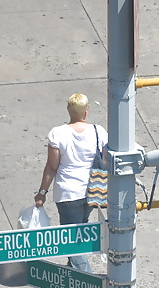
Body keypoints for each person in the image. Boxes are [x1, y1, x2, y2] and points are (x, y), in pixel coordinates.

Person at [34, 93, 108, 273]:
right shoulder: (99, 131)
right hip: (92, 190)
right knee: (80, 228)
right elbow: (106, 161)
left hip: (68, 193)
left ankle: (85, 276)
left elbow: (52, 166)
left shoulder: (57, 133)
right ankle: (74, 264)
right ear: (86, 113)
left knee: (71, 237)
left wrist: (42, 193)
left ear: (69, 111)